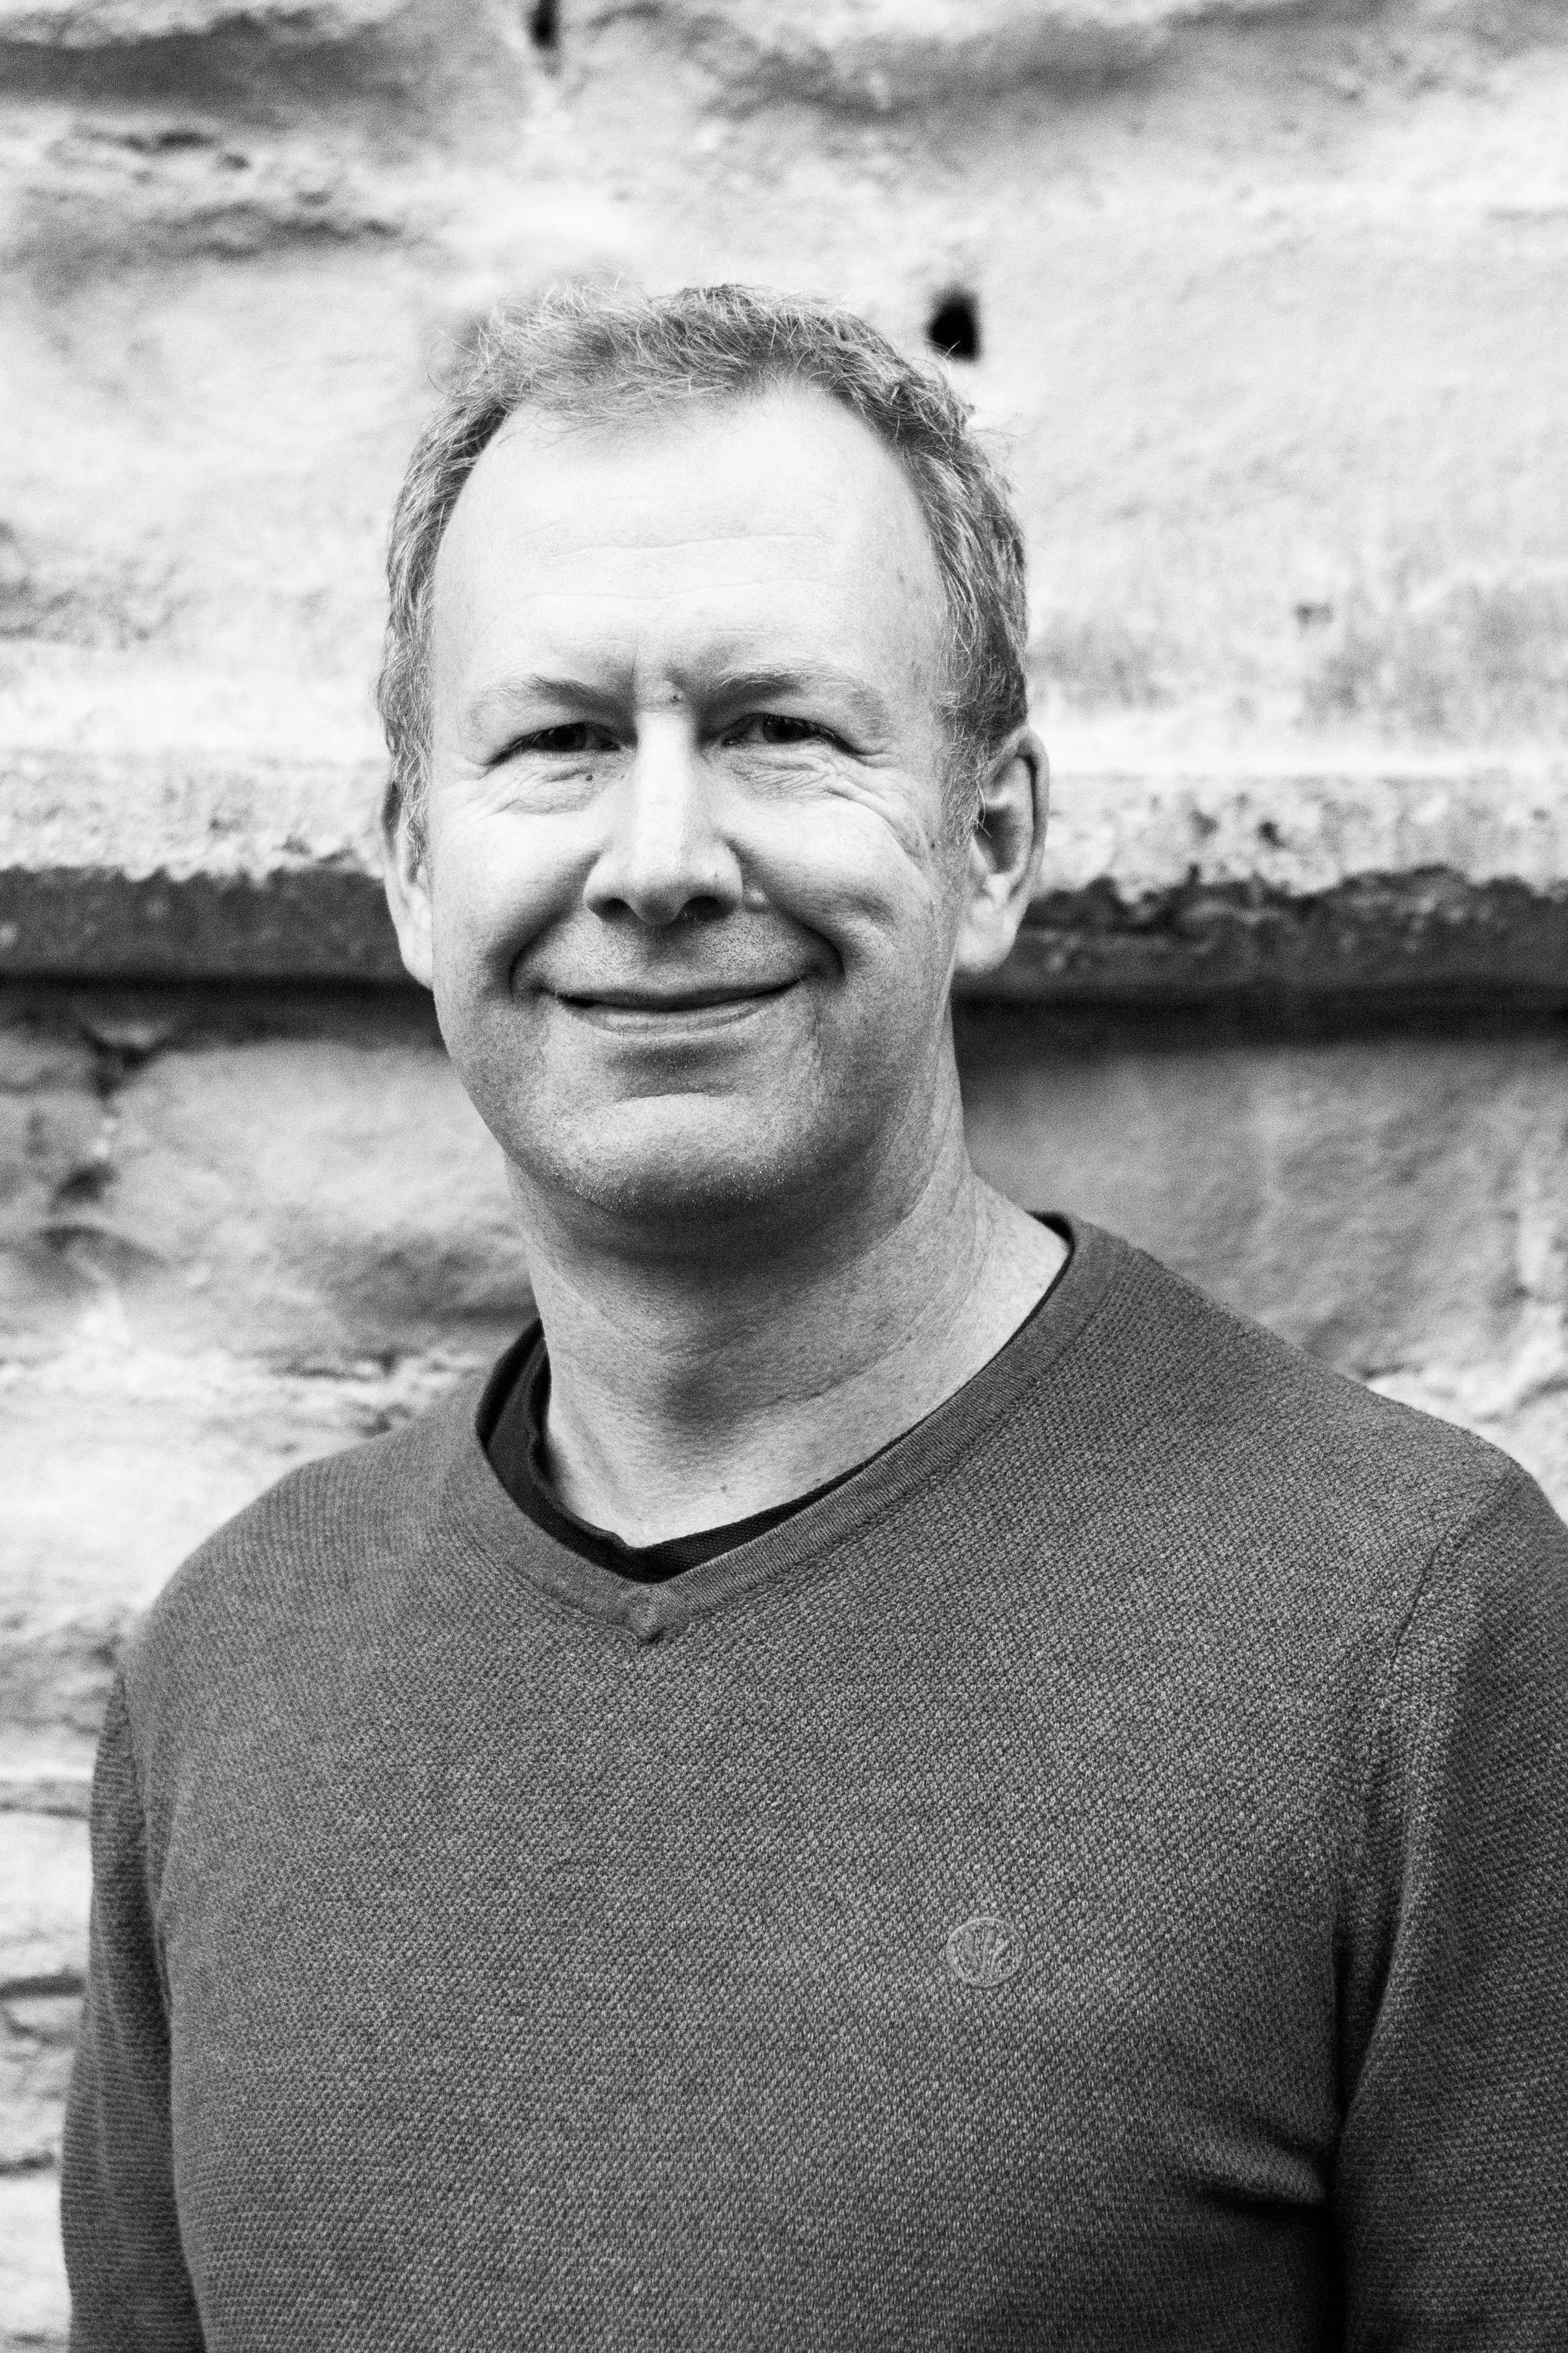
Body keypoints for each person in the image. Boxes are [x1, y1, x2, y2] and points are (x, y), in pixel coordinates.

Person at [63, 284, 1567, 2350]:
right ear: (414, 866)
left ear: (994, 838)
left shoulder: (1404, 1623)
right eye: (561, 739)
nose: (661, 856)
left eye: (776, 728)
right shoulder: (232, 1665)